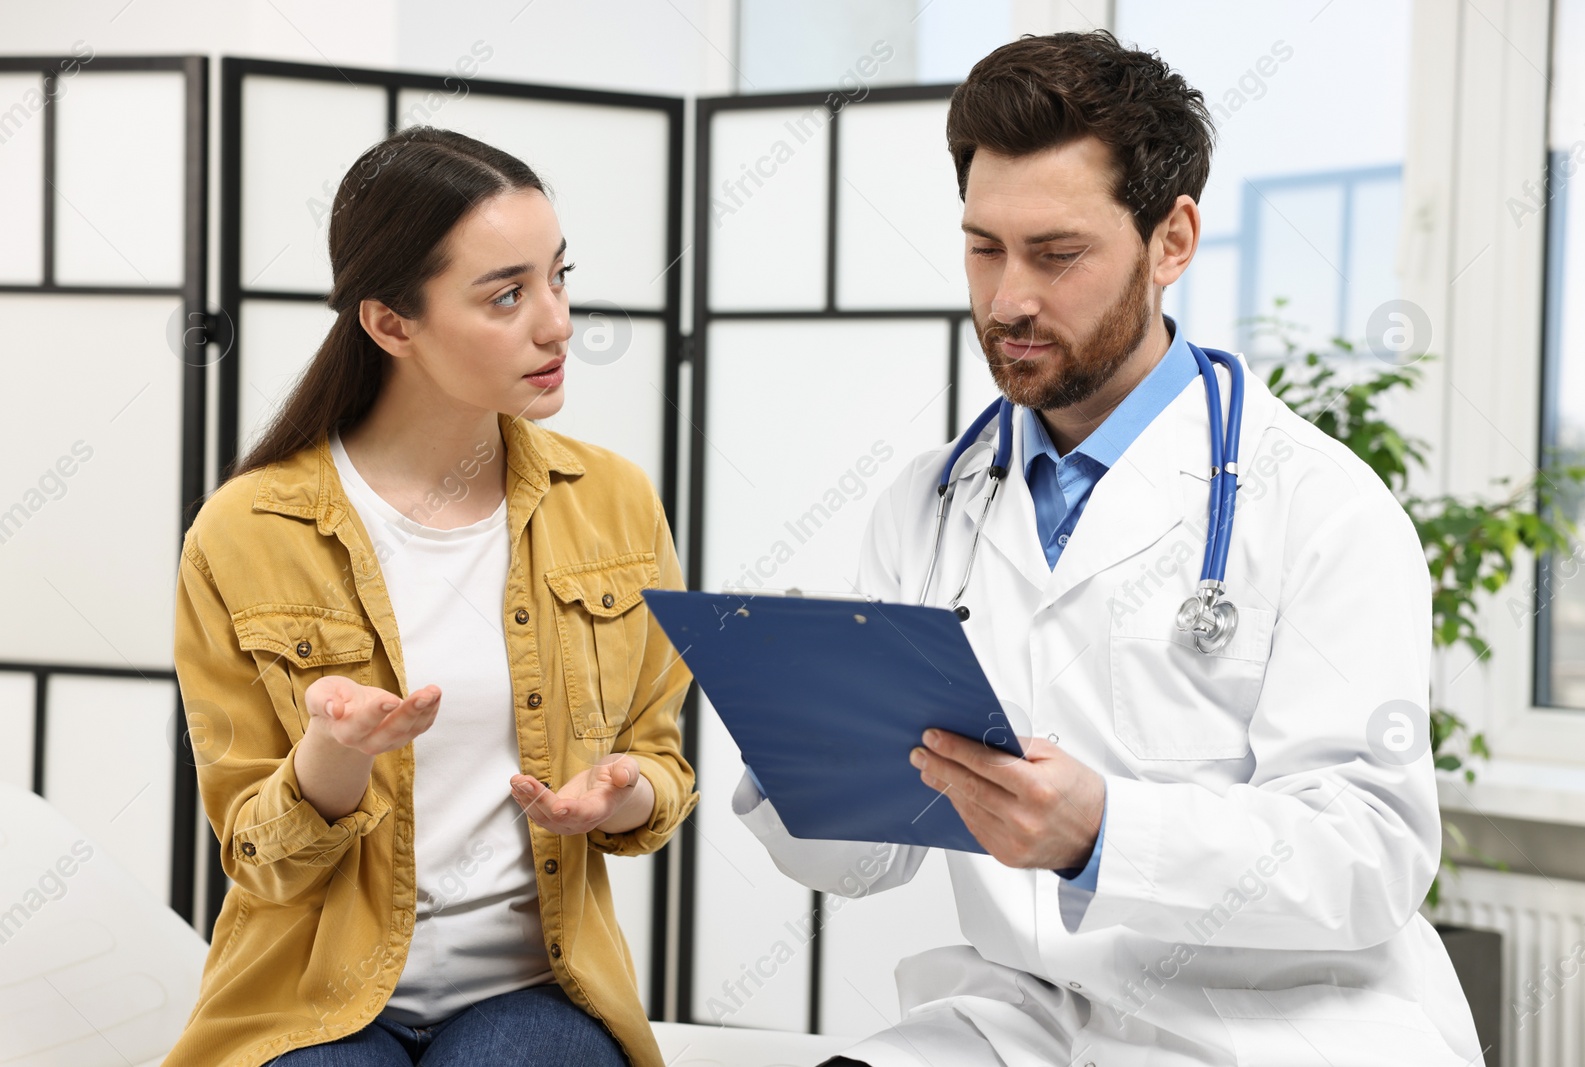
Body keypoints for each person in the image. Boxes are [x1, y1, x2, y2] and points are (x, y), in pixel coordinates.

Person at [731, 30, 1483, 1067]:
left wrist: (1103, 833)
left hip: (1281, 1029)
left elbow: (1369, 858)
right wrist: (800, 756)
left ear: (1170, 241)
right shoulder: (929, 507)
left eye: (1056, 253)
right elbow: (866, 864)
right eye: (982, 246)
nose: (1006, 301)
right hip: (1024, 1018)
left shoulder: (1321, 507)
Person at [167, 126, 696, 1067]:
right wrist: (332, 755)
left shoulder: (613, 505)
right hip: (308, 1001)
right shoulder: (244, 529)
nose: (557, 323)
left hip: (533, 990)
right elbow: (256, 854)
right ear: (390, 324)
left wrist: (618, 795)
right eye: (507, 295)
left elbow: (657, 760)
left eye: (557, 277)